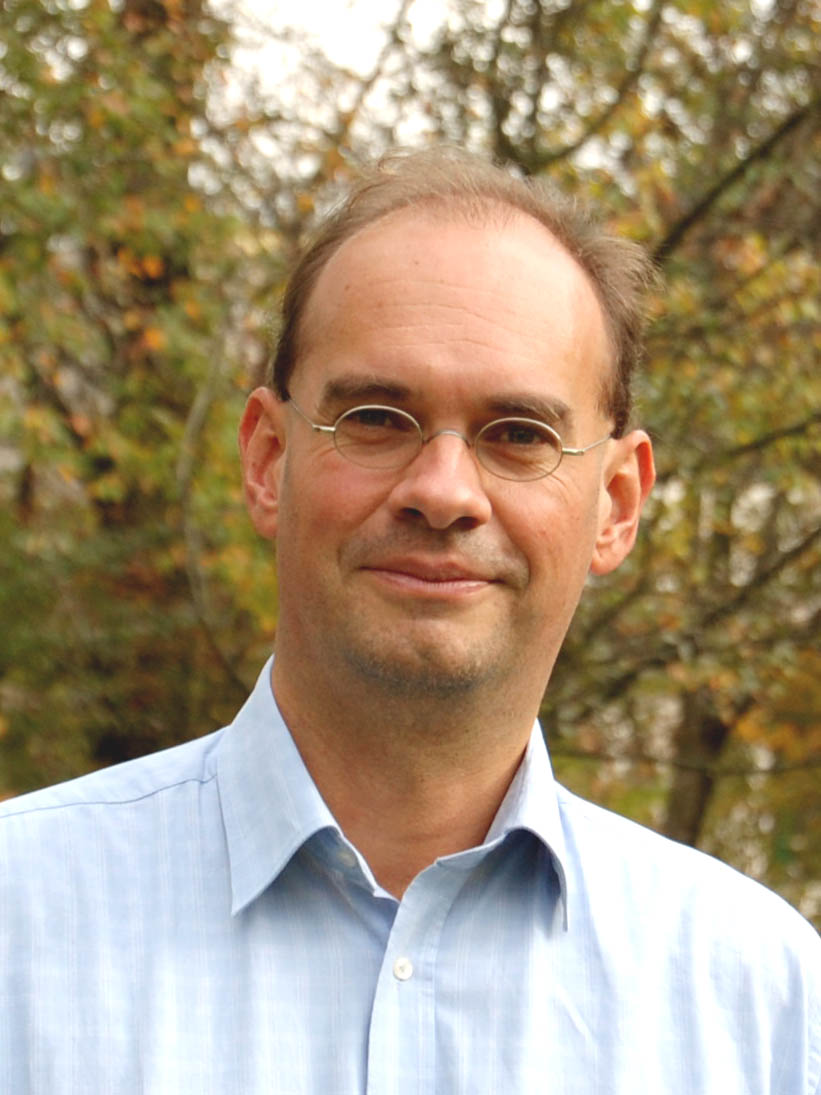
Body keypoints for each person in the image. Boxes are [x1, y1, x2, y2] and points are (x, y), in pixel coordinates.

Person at [1, 148, 819, 1094]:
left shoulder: (764, 1010)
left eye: (519, 435)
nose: (443, 491)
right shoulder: (21, 925)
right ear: (267, 461)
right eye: (377, 418)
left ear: (616, 504)